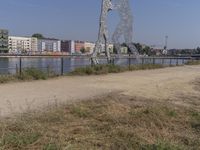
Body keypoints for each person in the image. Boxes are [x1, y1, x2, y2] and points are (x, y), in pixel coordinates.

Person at [91, 0, 113, 65]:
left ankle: (108, 57)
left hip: (104, 21)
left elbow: (110, 8)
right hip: (103, 21)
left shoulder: (107, 1)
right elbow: (111, 7)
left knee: (106, 39)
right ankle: (94, 56)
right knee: (100, 39)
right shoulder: (106, 1)